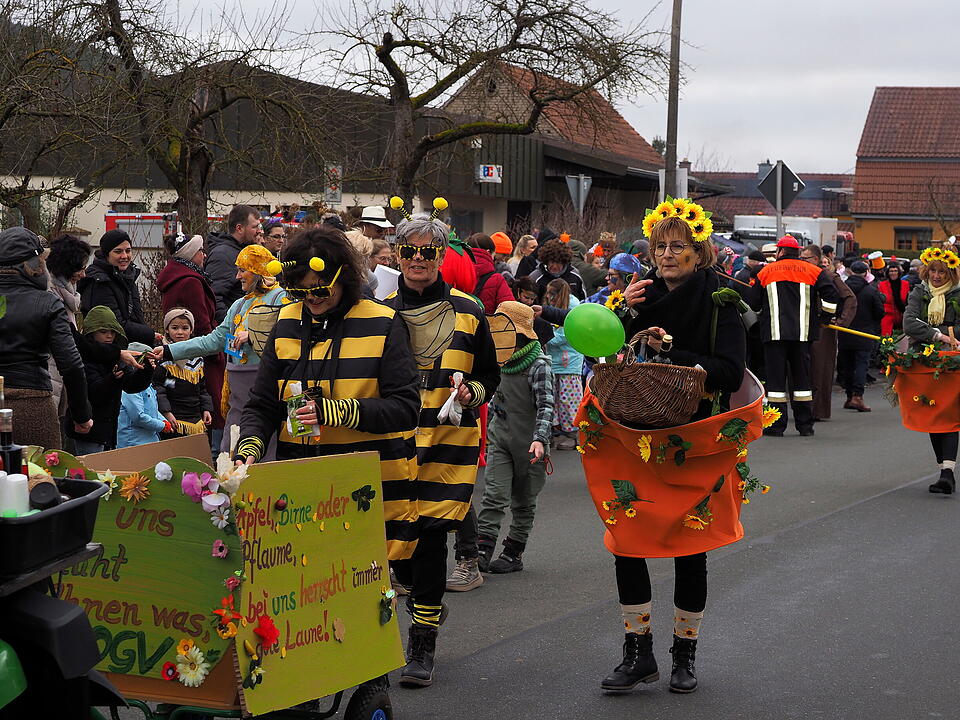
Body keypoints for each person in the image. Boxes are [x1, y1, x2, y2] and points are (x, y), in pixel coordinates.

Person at [608, 209, 746, 694]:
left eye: (676, 247)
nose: (666, 256)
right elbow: (602, 354)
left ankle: (683, 655)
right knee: (627, 542)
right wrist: (621, 310)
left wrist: (672, 354)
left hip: (695, 439)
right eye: (659, 248)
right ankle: (637, 652)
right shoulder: (637, 293)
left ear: (699, 251)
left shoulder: (722, 298)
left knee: (691, 552)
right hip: (634, 434)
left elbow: (730, 372)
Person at [384, 210, 500, 688]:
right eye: (408, 251)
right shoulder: (378, 312)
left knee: (431, 537)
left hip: (448, 439)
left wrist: (473, 392)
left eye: (427, 251)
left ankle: (422, 642)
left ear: (441, 255)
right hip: (393, 437)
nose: (417, 260)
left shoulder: (470, 311)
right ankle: (422, 600)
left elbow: (489, 376)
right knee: (396, 546)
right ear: (397, 254)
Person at [158, 245, 287, 458]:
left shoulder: (280, 298)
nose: (237, 276)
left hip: (265, 389)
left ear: (257, 270)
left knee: (261, 450)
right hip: (237, 392)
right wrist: (169, 351)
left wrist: (253, 336)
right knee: (231, 451)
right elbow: (213, 340)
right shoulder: (238, 304)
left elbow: (287, 338)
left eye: (242, 270)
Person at [477, 301, 554, 572]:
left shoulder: (539, 365)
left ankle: (513, 553)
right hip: (501, 439)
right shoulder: (497, 360)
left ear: (518, 333)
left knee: (523, 501)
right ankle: (482, 551)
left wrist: (540, 438)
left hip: (531, 445)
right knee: (494, 495)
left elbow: (546, 405)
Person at [0, 227, 92, 448]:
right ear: (32, 265)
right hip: (32, 405)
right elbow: (71, 364)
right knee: (41, 476)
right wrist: (82, 414)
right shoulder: (47, 303)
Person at [749, 235, 839, 437]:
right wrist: (824, 317)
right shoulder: (814, 271)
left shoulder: (765, 272)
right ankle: (805, 426)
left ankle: (776, 426)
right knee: (802, 382)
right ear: (797, 251)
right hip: (802, 335)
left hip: (774, 335)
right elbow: (832, 295)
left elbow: (753, 304)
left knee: (776, 385)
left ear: (780, 252)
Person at [903, 246, 960, 493]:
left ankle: (947, 473)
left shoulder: (958, 294)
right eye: (933, 271)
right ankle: (943, 470)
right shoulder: (919, 291)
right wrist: (940, 335)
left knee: (948, 414)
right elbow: (909, 323)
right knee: (932, 413)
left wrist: (951, 336)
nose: (937, 276)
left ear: (952, 274)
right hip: (924, 361)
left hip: (953, 361)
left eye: (942, 272)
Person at [156, 233, 225, 434]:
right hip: (197, 350)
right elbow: (202, 321)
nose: (204, 255)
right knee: (206, 394)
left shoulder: (176, 277)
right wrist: (216, 350)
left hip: (181, 348)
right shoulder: (191, 281)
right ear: (190, 254)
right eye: (200, 251)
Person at [67, 306, 154, 455]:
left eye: (112, 332)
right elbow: (93, 393)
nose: (109, 336)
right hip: (87, 432)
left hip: (108, 431)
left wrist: (145, 370)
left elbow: (131, 385)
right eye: (103, 332)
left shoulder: (114, 358)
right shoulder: (84, 360)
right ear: (91, 333)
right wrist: (113, 379)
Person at [801, 244, 856, 422]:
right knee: (804, 369)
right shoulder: (801, 275)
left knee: (820, 369)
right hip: (803, 328)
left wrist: (841, 321)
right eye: (801, 258)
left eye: (805, 259)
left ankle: (818, 410)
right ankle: (803, 409)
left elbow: (850, 298)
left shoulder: (830, 277)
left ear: (816, 260)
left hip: (824, 330)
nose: (802, 261)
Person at [78, 229, 157, 346]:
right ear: (106, 254)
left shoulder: (128, 276)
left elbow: (136, 317)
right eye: (118, 251)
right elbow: (115, 324)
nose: (124, 256)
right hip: (109, 349)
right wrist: (150, 334)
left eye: (128, 251)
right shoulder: (100, 282)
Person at [46, 233, 91, 412]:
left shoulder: (67, 294)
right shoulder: (50, 295)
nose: (83, 274)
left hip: (61, 375)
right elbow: (71, 338)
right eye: (80, 268)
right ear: (66, 267)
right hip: (51, 375)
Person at [153, 309, 213, 438]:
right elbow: (158, 387)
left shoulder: (198, 357)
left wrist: (206, 409)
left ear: (191, 330)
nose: (180, 332)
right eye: (175, 328)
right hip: (174, 417)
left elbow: (202, 388)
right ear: (167, 330)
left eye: (185, 328)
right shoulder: (162, 356)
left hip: (195, 417)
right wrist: (166, 412)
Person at [836, 261, 884, 413]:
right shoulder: (871, 291)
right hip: (865, 333)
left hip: (845, 331)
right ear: (866, 272)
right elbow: (880, 312)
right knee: (861, 365)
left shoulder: (842, 289)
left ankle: (849, 396)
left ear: (850, 272)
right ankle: (858, 396)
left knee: (847, 365)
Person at [543, 279, 582, 450]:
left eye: (552, 294)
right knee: (553, 400)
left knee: (569, 401)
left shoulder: (573, 305)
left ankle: (573, 436)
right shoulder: (552, 306)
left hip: (570, 362)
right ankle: (553, 433)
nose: (549, 297)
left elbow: (566, 334)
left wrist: (544, 336)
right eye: (548, 293)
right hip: (554, 360)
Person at [205, 204, 262, 311]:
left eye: (259, 226)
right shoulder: (223, 256)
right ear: (239, 228)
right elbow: (213, 298)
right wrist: (231, 324)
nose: (260, 231)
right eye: (254, 227)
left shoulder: (245, 251)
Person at [465, 233, 514, 314]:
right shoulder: (497, 279)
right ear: (488, 252)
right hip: (485, 325)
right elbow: (510, 311)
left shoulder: (456, 272)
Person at [117, 382, 169, 448]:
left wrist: (163, 420)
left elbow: (152, 408)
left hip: (150, 441)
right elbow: (138, 417)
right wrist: (162, 426)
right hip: (133, 443)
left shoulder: (147, 385)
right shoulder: (131, 387)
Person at [878, 260, 910, 336]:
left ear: (898, 272)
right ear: (888, 273)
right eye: (891, 271)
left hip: (902, 316)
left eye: (895, 271)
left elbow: (907, 301)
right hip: (887, 317)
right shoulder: (882, 285)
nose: (893, 273)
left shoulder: (905, 284)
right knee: (886, 340)